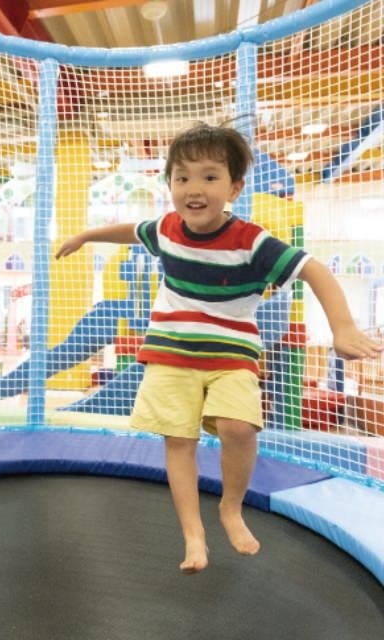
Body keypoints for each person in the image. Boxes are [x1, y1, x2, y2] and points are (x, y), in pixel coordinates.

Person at [55, 122, 382, 574]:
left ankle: (231, 507)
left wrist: (342, 327)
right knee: (179, 440)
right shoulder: (167, 228)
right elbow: (133, 230)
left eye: (210, 177)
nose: (194, 188)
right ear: (170, 183)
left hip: (230, 355)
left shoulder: (252, 241)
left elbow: (314, 270)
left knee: (238, 428)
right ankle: (193, 535)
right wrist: (86, 236)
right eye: (182, 177)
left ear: (234, 187)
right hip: (170, 353)